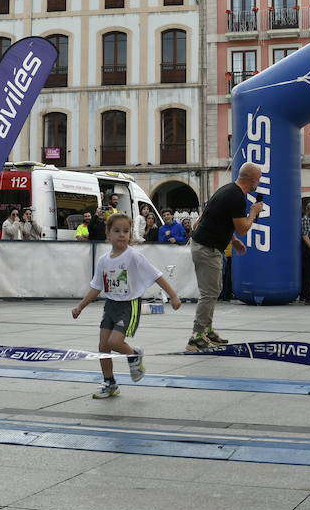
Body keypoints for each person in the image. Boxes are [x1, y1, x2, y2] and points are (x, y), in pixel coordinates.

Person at [72, 213, 182, 398]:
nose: (122, 234)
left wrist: (173, 296)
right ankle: (109, 383)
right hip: (110, 306)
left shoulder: (134, 256)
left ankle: (134, 355)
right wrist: (80, 307)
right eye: (117, 231)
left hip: (128, 305)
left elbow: (156, 275)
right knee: (103, 347)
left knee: (114, 342)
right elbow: (96, 287)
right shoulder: (103, 261)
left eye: (126, 231)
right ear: (108, 234)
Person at [187, 162, 264, 351]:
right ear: (252, 180)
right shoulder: (237, 197)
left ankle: (207, 330)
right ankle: (196, 336)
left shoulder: (229, 190)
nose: (259, 183)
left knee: (214, 290)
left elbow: (217, 220)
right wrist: (253, 212)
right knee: (209, 293)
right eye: (258, 179)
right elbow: (243, 228)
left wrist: (234, 241)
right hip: (207, 248)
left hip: (206, 245)